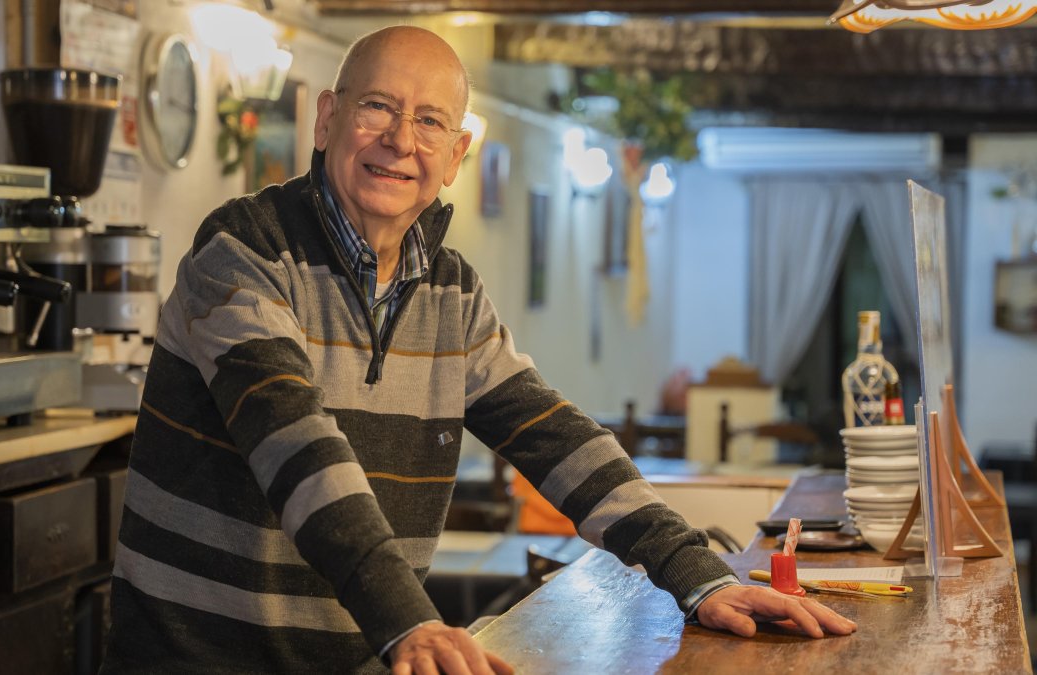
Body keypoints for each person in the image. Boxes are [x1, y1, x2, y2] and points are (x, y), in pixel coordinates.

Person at [100, 25, 856, 675]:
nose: (401, 140)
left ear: (456, 152)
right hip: (196, 660)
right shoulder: (243, 251)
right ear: (327, 119)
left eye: (430, 121)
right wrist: (409, 618)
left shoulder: (449, 294)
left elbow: (558, 439)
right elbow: (295, 444)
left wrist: (698, 575)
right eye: (377, 108)